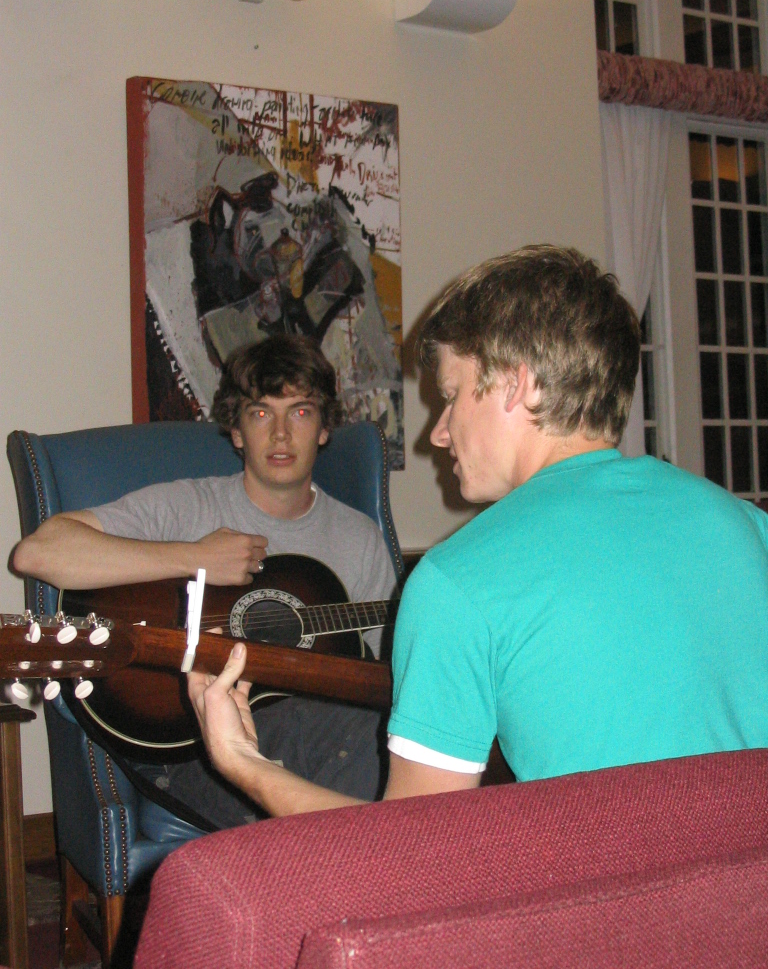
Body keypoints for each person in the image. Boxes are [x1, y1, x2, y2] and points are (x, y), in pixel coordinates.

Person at [187, 244, 768, 817]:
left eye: (451, 395)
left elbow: (414, 851)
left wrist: (242, 761)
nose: (438, 433)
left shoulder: (457, 579)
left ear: (516, 385)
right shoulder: (749, 526)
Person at [13, 334, 398, 829]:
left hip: (318, 737)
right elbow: (38, 553)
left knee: (382, 734)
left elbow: (390, 675)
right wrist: (195, 558)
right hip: (191, 746)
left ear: (325, 429)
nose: (281, 434)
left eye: (300, 412)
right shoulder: (187, 505)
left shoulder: (359, 538)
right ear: (236, 431)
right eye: (261, 413)